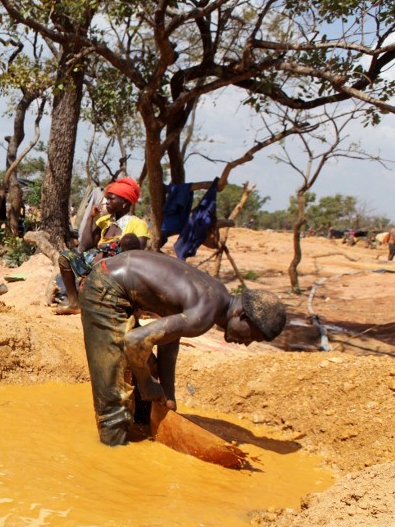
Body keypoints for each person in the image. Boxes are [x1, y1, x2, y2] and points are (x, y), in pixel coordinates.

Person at [79, 250, 287, 446]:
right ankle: (113, 451)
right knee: (115, 401)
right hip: (104, 288)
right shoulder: (205, 314)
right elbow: (134, 342)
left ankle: (142, 432)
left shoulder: (218, 295)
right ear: (241, 315)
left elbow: (169, 342)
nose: (247, 343)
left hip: (116, 284)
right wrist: (146, 383)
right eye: (252, 335)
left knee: (146, 380)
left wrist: (168, 397)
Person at [53, 177, 150, 314]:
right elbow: (85, 245)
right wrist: (91, 217)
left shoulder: (138, 224)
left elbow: (138, 253)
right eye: (106, 199)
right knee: (65, 257)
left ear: (124, 202)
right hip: (93, 265)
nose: (106, 202)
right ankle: (74, 303)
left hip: (118, 270)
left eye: (111, 199)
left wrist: (113, 248)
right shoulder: (104, 221)